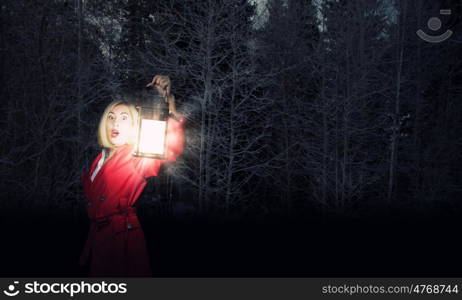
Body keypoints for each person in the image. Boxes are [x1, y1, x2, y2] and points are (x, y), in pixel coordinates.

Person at [79, 75, 186, 276]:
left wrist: (169, 106)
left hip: (122, 238)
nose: (115, 123)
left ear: (134, 126)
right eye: (111, 117)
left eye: (123, 118)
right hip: (99, 236)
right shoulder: (100, 157)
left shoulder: (136, 153)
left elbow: (172, 147)